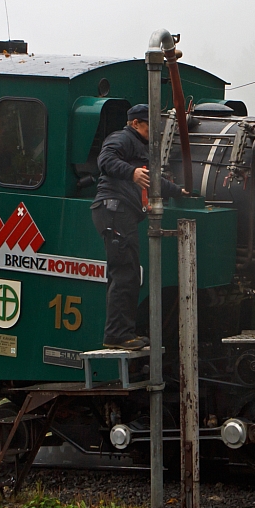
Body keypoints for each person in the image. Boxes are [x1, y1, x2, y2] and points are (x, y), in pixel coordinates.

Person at [91, 104, 187, 350]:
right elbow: (105, 160)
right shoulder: (121, 138)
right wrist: (132, 173)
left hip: (121, 212)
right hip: (115, 210)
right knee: (124, 273)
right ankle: (117, 335)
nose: (154, 132)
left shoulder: (138, 146)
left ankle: (121, 333)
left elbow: (153, 179)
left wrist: (179, 192)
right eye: (150, 126)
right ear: (135, 124)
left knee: (129, 273)